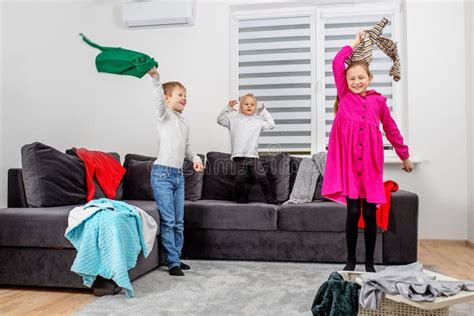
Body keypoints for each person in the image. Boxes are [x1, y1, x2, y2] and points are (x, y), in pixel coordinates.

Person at [322, 32, 414, 272]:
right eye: (351, 78)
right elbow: (336, 62)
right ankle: (351, 260)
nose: (356, 81)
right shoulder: (344, 96)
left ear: (370, 78)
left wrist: (404, 155)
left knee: (371, 214)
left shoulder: (379, 102)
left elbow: (391, 129)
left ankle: (370, 263)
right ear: (345, 80)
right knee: (353, 212)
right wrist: (355, 43)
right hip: (351, 167)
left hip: (371, 166)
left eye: (360, 77)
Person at [147, 66, 204, 276]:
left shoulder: (184, 122)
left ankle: (176, 257)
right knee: (169, 220)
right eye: (180, 95)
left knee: (179, 221)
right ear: (167, 98)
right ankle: (172, 262)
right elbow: (157, 101)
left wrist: (196, 159)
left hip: (178, 176)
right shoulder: (164, 116)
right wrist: (155, 79)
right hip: (162, 174)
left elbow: (187, 148)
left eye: (186, 95)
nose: (184, 98)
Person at [217, 94, 279, 204]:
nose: (249, 106)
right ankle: (241, 200)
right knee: (240, 179)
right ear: (240, 106)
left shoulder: (258, 121)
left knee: (262, 178)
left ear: (255, 108)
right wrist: (227, 108)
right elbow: (220, 120)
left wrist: (264, 112)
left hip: (253, 157)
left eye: (252, 105)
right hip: (238, 157)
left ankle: (270, 199)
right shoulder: (234, 120)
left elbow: (271, 125)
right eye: (246, 104)